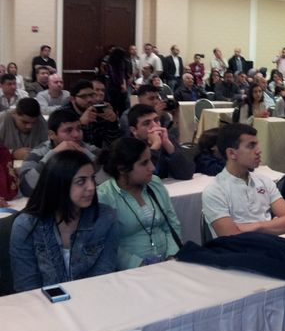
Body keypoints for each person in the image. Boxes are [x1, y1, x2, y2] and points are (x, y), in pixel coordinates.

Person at [10, 150, 118, 292]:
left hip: (92, 298)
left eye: (92, 179)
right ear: (58, 185)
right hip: (43, 302)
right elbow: (27, 287)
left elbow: (104, 274)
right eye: (81, 181)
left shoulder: (105, 217)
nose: (92, 187)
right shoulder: (26, 225)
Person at [201, 123, 285, 238]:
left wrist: (257, 226)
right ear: (231, 153)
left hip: (272, 245)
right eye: (251, 146)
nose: (259, 151)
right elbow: (231, 238)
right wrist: (274, 226)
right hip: (239, 249)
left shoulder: (265, 181)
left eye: (257, 145)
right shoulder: (214, 191)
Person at [98, 137, 182, 270]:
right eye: (144, 163)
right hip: (130, 271)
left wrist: (171, 256)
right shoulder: (104, 196)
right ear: (122, 169)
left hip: (169, 264)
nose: (152, 167)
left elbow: (172, 224)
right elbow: (107, 244)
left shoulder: (155, 183)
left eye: (150, 160)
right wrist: (139, 265)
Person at [19, 109, 100, 197]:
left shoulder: (89, 150)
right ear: (52, 135)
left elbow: (106, 183)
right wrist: (52, 155)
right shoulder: (39, 153)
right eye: (68, 130)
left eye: (79, 128)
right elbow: (26, 188)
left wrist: (87, 154)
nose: (76, 134)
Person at [127, 104, 194, 180]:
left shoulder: (166, 139)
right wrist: (155, 146)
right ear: (134, 130)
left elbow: (187, 174)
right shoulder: (127, 147)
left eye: (156, 120)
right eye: (147, 123)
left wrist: (169, 146)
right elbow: (137, 179)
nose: (155, 126)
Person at [63, 80, 122, 148]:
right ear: (72, 99)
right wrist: (80, 124)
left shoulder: (99, 109)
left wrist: (113, 122)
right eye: (83, 96)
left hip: (97, 152)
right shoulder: (64, 114)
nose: (89, 99)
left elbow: (113, 142)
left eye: (91, 95)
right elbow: (65, 144)